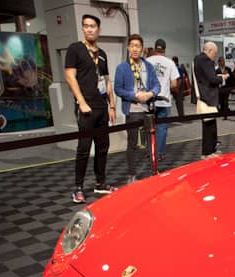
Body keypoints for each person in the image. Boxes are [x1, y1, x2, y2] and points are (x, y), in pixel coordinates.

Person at [64, 14, 117, 203]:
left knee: (103, 146)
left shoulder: (101, 53)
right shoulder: (75, 49)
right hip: (85, 107)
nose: (89, 29)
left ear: (98, 29)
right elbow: (70, 77)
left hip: (102, 107)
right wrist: (81, 101)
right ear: (82, 28)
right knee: (84, 148)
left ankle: (100, 183)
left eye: (92, 26)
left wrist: (112, 105)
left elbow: (106, 81)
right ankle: (78, 187)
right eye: (86, 26)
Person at [114, 34, 160, 184]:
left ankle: (153, 170)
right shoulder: (122, 68)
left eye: (138, 46)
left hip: (147, 109)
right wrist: (134, 95)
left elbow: (157, 85)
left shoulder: (148, 66)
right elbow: (118, 89)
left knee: (151, 140)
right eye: (132, 45)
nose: (135, 49)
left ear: (142, 48)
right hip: (132, 110)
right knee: (132, 143)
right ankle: (132, 173)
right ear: (128, 48)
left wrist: (150, 94)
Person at [146, 39, 179, 162]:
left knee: (149, 127)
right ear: (164, 50)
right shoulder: (170, 63)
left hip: (149, 101)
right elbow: (174, 84)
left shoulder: (147, 61)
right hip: (164, 100)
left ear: (155, 49)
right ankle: (159, 153)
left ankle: (150, 152)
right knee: (162, 128)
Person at [193, 41, 227, 156]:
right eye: (214, 53)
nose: (214, 56)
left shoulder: (197, 59)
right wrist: (223, 78)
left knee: (209, 124)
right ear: (209, 51)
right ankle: (208, 151)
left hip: (203, 96)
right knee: (209, 126)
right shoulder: (206, 60)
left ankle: (210, 150)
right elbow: (212, 79)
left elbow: (205, 77)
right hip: (208, 97)